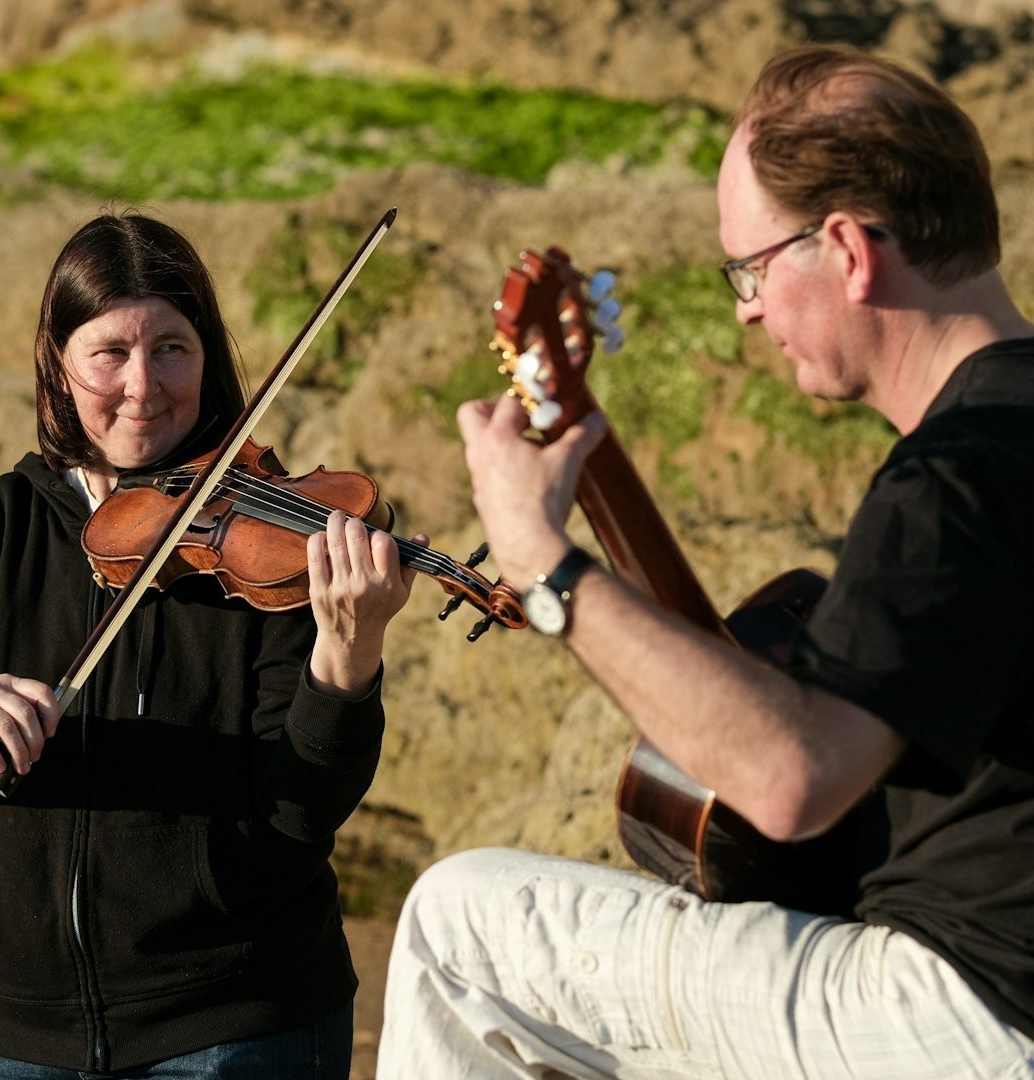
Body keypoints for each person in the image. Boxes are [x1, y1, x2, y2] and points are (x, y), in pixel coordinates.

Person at [375, 44, 1034, 1079]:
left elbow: (790, 778)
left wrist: (542, 556)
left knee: (461, 929)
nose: (747, 309)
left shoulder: (950, 480)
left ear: (851, 251)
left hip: (965, 1012)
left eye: (754, 268)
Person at [0, 210, 418, 1078]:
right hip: (0, 1037)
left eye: (172, 348)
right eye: (110, 353)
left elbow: (303, 812)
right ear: (59, 364)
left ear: (209, 361)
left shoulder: (272, 536)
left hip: (236, 1026)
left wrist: (347, 662)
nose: (143, 386)